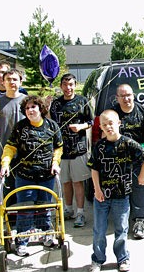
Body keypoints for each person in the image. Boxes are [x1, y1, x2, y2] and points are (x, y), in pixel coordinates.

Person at [87, 109, 144, 272]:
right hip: (102, 196)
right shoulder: (99, 146)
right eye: (104, 125)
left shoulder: (128, 143)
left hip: (122, 196)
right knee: (99, 231)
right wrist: (97, 189)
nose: (108, 127)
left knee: (121, 229)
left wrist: (141, 177)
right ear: (101, 127)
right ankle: (98, 259)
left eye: (111, 123)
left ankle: (123, 259)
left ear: (118, 124)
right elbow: (94, 169)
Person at [0, 95, 63, 257]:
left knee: (45, 206)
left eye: (33, 107)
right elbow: (10, 147)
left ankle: (46, 234)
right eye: (27, 108)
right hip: (25, 176)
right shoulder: (20, 127)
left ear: (41, 109)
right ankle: (21, 241)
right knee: (26, 208)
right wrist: (5, 163)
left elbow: (58, 148)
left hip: (46, 175)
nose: (30, 110)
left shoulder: (52, 126)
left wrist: (56, 163)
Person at [50, 73, 93, 228]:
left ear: (75, 85)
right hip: (61, 149)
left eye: (71, 84)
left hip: (78, 149)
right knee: (65, 182)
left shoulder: (82, 101)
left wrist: (81, 126)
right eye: (65, 84)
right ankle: (69, 210)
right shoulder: (55, 104)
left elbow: (92, 121)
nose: (68, 88)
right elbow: (50, 123)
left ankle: (80, 213)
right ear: (61, 86)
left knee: (77, 182)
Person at [112, 84, 144, 239]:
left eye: (128, 95)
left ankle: (139, 222)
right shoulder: (113, 113)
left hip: (138, 159)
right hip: (117, 159)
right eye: (122, 96)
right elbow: (105, 135)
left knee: (138, 189)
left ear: (133, 95)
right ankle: (121, 223)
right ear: (117, 98)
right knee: (119, 191)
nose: (126, 98)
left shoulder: (142, 111)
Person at [0, 68, 27, 225]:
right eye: (8, 79)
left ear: (20, 82)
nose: (12, 82)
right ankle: (11, 224)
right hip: (5, 153)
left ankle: (26, 223)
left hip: (26, 153)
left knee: (26, 190)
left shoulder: (28, 101)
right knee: (8, 189)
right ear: (2, 82)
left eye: (15, 79)